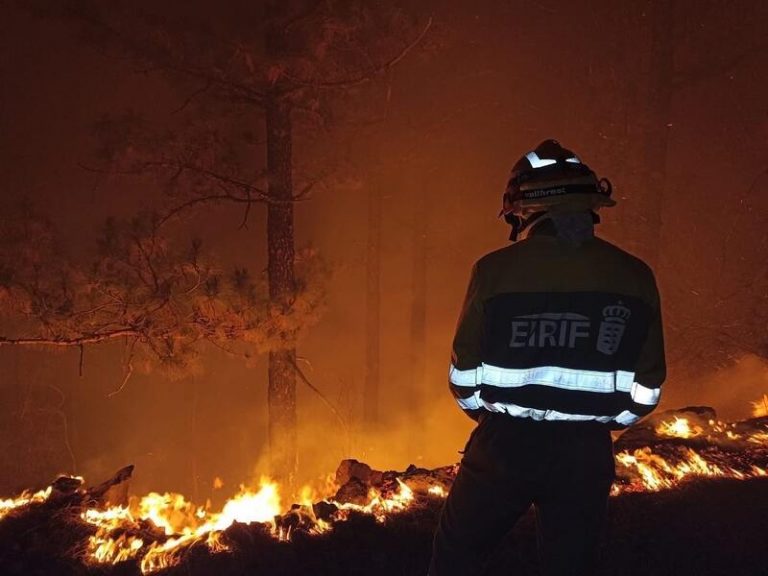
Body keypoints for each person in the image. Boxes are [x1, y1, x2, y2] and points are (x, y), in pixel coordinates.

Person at [429, 139, 666, 576]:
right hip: (585, 452)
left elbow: (464, 373)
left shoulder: (493, 270)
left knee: (456, 558)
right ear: (590, 205)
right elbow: (648, 386)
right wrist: (599, 423)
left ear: (523, 210)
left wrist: (492, 419)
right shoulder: (634, 275)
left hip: (504, 446)